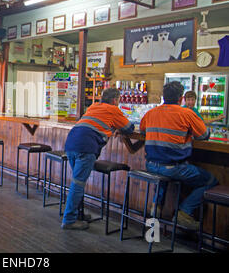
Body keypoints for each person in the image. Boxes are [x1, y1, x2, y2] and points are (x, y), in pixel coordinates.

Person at [139, 81, 218, 230]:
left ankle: (156, 207)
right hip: (172, 168)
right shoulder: (187, 113)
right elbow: (203, 135)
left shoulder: (151, 113)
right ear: (181, 98)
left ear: (164, 96)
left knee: (160, 178)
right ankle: (184, 212)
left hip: (150, 164)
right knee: (210, 181)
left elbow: (142, 131)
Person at [62, 88, 134, 230]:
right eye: (119, 100)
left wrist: (113, 127)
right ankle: (69, 220)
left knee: (77, 182)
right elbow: (129, 128)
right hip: (86, 147)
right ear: (115, 100)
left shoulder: (94, 106)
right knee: (78, 184)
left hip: (71, 143)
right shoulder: (113, 109)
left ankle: (78, 214)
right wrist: (118, 127)